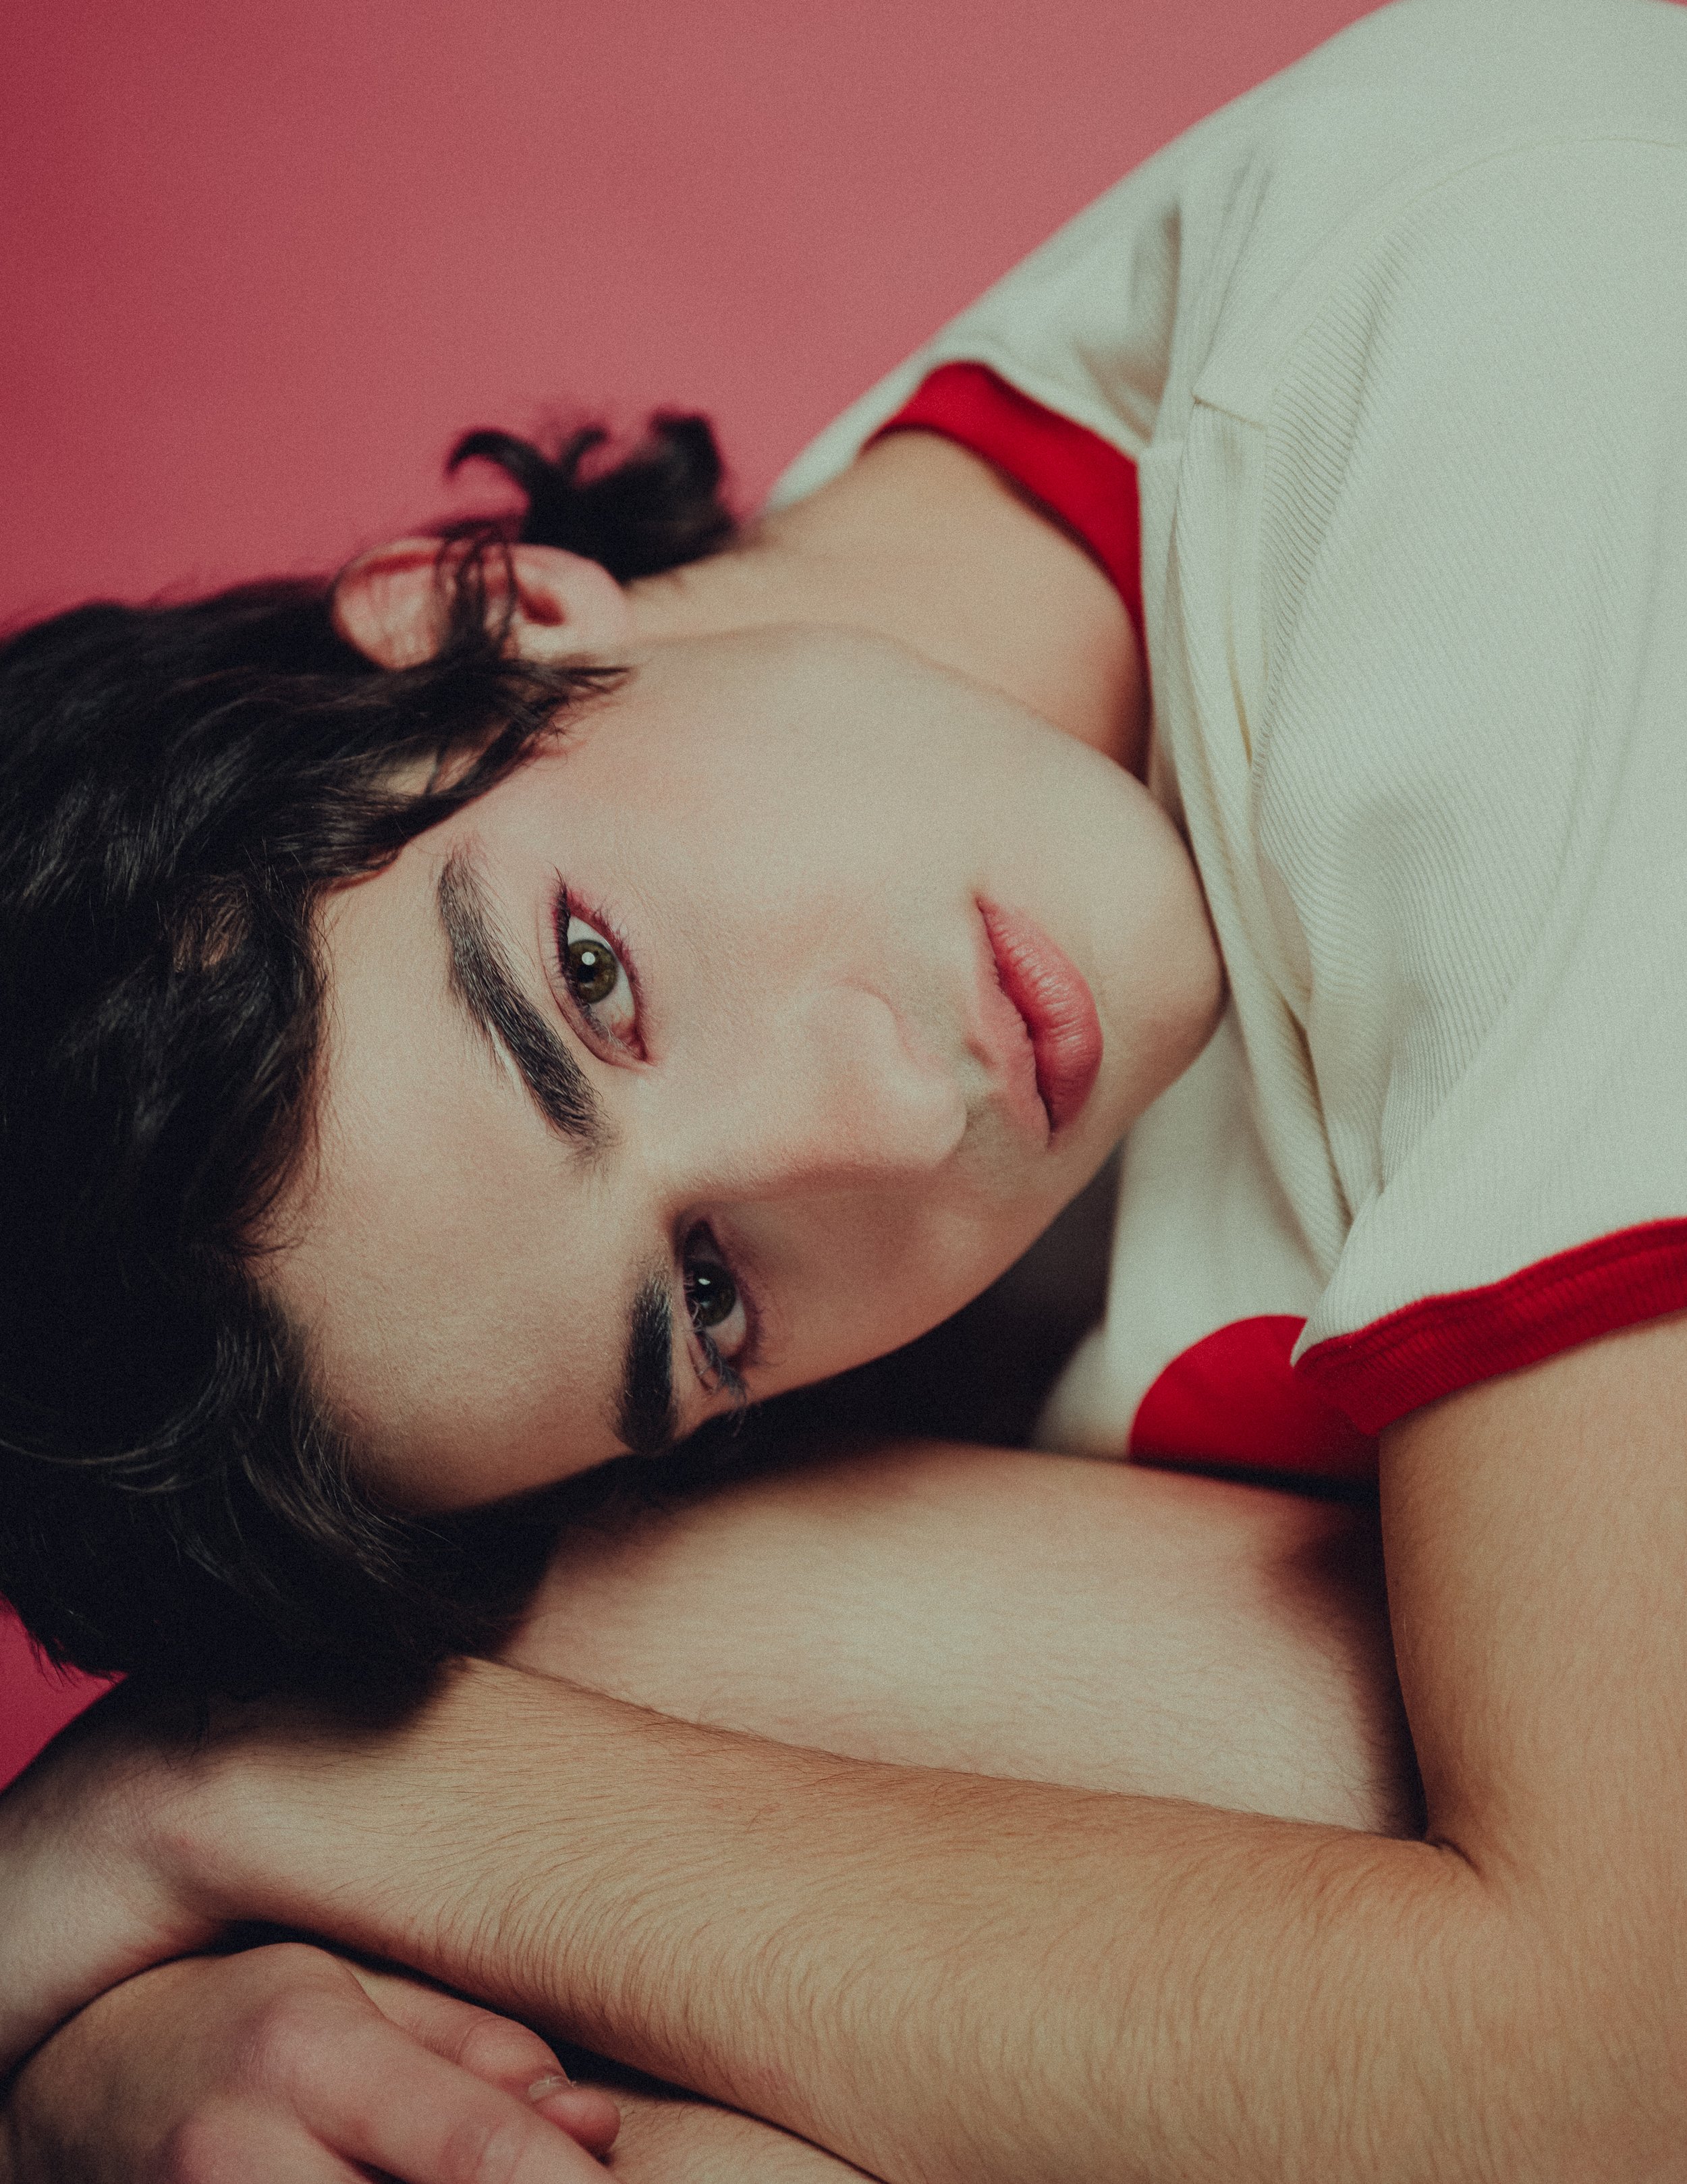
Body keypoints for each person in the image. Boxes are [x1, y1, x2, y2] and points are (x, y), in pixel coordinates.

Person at [6, 0, 1687, 2174]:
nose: (889, 1124)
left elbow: (1615, 2042)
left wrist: (252, 1785)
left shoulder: (1509, 334)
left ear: (477, 612)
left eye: (592, 984)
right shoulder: (878, 1054)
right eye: (700, 1299)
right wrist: (113, 2059)